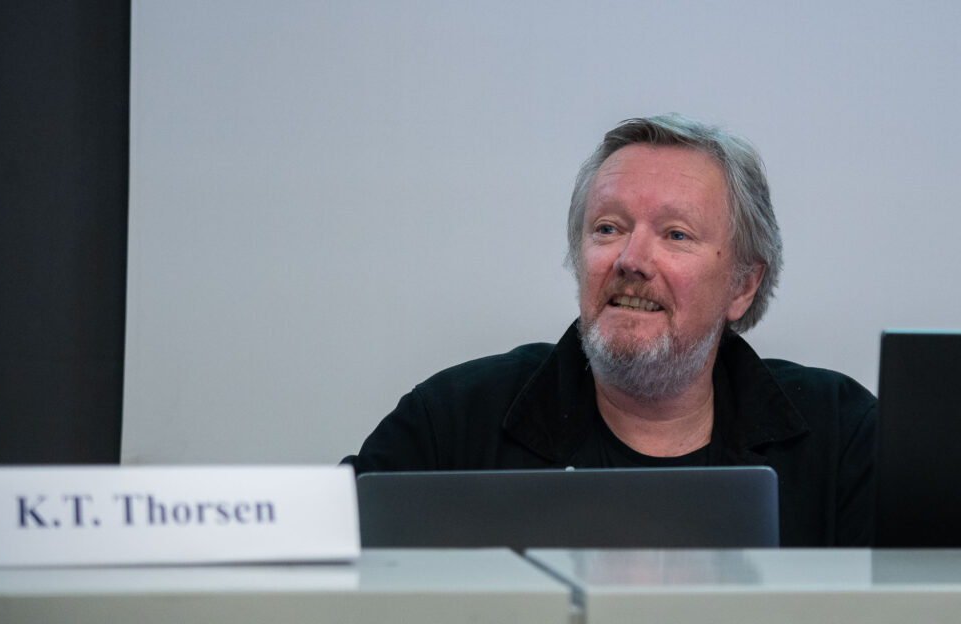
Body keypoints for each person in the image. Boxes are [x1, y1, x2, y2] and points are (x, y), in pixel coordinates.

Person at [343, 114, 876, 547]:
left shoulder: (842, 438)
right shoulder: (451, 425)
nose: (631, 258)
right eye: (608, 228)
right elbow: (317, 556)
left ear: (742, 286)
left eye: (675, 234)